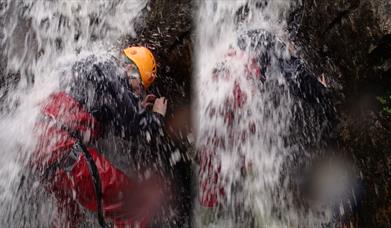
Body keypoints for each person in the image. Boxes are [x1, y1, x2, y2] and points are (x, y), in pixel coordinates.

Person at [31, 46, 169, 227]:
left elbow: (120, 124)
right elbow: (135, 124)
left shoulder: (91, 67)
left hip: (39, 146)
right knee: (137, 204)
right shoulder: (111, 68)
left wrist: (136, 107)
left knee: (70, 218)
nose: (137, 93)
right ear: (131, 70)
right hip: (64, 147)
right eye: (140, 87)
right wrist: (156, 117)